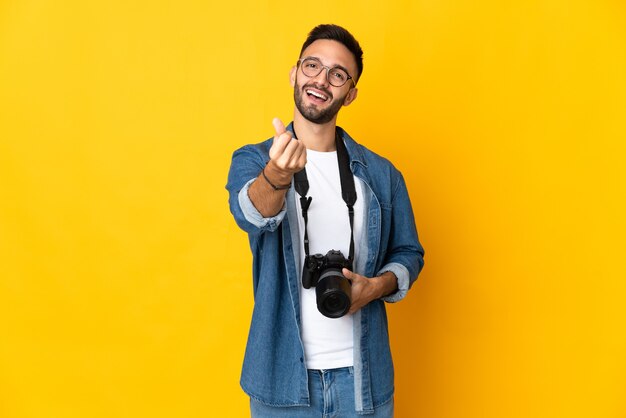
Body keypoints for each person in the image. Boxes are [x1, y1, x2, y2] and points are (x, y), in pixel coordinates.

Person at [226, 24, 424, 417]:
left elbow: (409, 252)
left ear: (349, 93)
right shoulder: (255, 159)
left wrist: (376, 286)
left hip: (363, 382)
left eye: (337, 74)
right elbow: (251, 213)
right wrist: (277, 176)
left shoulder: (382, 175)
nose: (320, 79)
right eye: (312, 65)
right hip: (280, 383)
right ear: (294, 73)